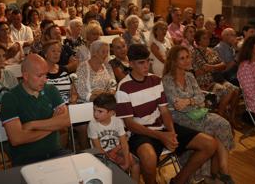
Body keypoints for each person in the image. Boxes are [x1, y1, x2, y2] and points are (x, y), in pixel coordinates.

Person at [115, 44, 217, 184]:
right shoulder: (123, 87)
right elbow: (130, 124)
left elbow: (164, 111)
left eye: (148, 61)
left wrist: (171, 133)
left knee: (209, 144)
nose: (146, 66)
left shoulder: (155, 80)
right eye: (141, 63)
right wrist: (162, 136)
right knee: (149, 158)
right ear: (131, 64)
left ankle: (178, 180)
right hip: (139, 133)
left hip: (162, 127)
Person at [163, 45, 235, 183]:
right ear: (174, 61)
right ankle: (215, 174)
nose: (187, 60)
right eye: (182, 58)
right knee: (214, 131)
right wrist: (193, 101)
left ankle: (223, 171)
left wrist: (189, 101)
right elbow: (179, 107)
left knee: (224, 124)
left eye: (187, 57)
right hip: (181, 119)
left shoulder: (189, 76)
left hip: (198, 113)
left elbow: (202, 99)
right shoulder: (168, 80)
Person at [0, 54, 70, 165]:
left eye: (46, 75)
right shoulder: (10, 98)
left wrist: (32, 125)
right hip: (27, 159)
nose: (45, 80)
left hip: (56, 152)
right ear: (26, 76)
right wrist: (53, 124)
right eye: (39, 76)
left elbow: (66, 121)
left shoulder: (51, 90)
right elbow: (17, 139)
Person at [88, 93, 140, 183]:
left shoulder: (118, 122)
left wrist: (127, 162)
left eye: (100, 111)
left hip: (116, 150)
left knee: (135, 163)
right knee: (114, 169)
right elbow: (98, 149)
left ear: (111, 113)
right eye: (94, 110)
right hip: (101, 155)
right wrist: (113, 161)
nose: (95, 114)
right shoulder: (93, 125)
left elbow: (124, 144)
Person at [192, 29, 240, 125]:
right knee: (225, 90)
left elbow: (223, 65)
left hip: (216, 78)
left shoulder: (211, 50)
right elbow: (205, 68)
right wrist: (215, 67)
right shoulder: (195, 52)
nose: (207, 40)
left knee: (236, 89)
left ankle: (231, 116)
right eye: (204, 38)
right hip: (204, 82)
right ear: (198, 40)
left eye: (208, 38)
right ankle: (220, 118)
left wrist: (212, 67)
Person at [43, 40, 78, 104]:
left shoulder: (64, 70)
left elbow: (72, 93)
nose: (56, 53)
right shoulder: (41, 72)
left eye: (59, 51)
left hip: (67, 106)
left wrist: (73, 99)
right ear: (45, 54)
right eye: (53, 51)